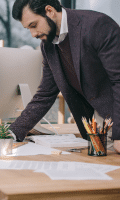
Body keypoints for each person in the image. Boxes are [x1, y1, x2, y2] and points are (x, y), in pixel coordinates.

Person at [9, 0, 120, 153]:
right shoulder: (48, 45)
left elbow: (119, 80)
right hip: (99, 123)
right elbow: (45, 93)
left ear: (50, 11)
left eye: (33, 25)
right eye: (28, 28)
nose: (33, 34)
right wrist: (11, 133)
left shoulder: (97, 25)